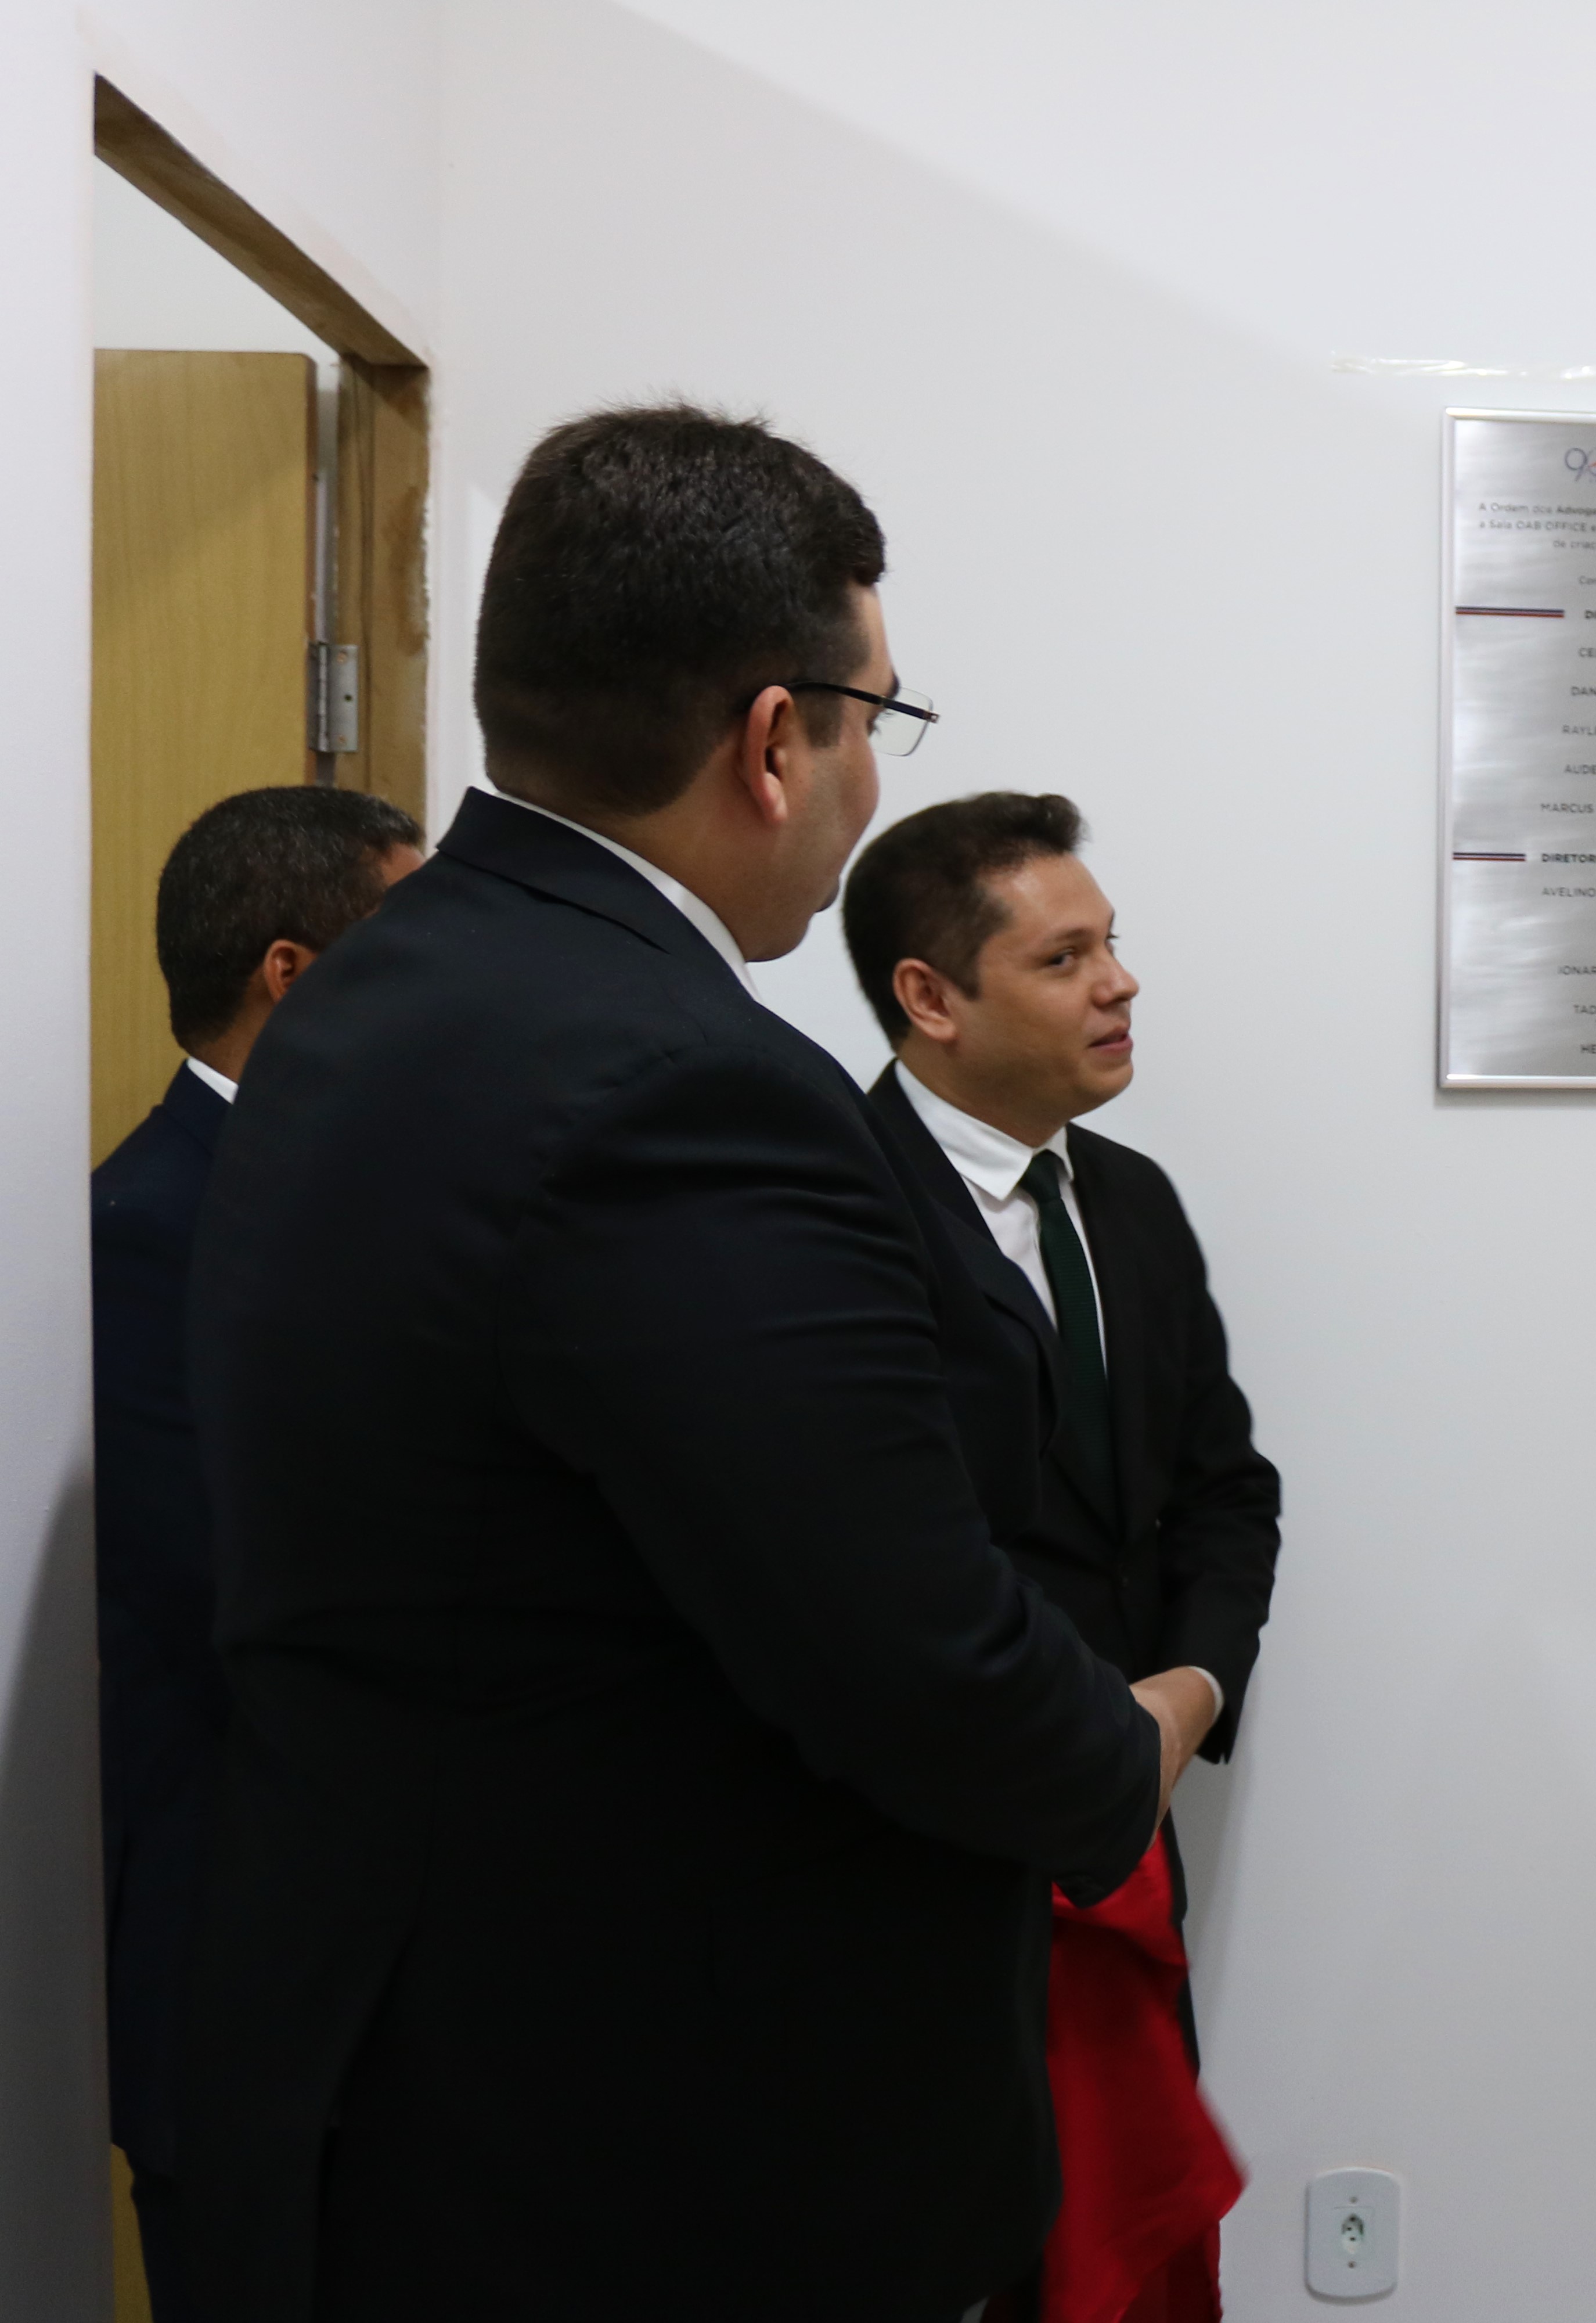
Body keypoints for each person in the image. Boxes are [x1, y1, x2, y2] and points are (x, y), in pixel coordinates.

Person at [175, 406, 1180, 2323]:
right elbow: (902, 1648)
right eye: (877, 720)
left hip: (380, 2055)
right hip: (631, 2140)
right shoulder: (680, 1086)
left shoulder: (378, 989)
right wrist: (1120, 1759)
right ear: (774, 739)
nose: (872, 775)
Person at [842, 791, 1280, 2318]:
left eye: (1113, 944)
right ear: (932, 996)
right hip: (913, 1863)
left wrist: (1186, 1697)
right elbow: (863, 1557)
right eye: (1066, 956)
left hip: (1124, 1840)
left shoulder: (1132, 1200)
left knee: (1114, 2253)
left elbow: (1226, 1492)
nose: (1120, 982)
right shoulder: (832, 1202)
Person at [93, 784, 420, 2308]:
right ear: (293, 974)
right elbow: (242, 1588)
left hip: (429, 1990)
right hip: (251, 1976)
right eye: (410, 944)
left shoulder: (402, 1193)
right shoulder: (139, 1231)